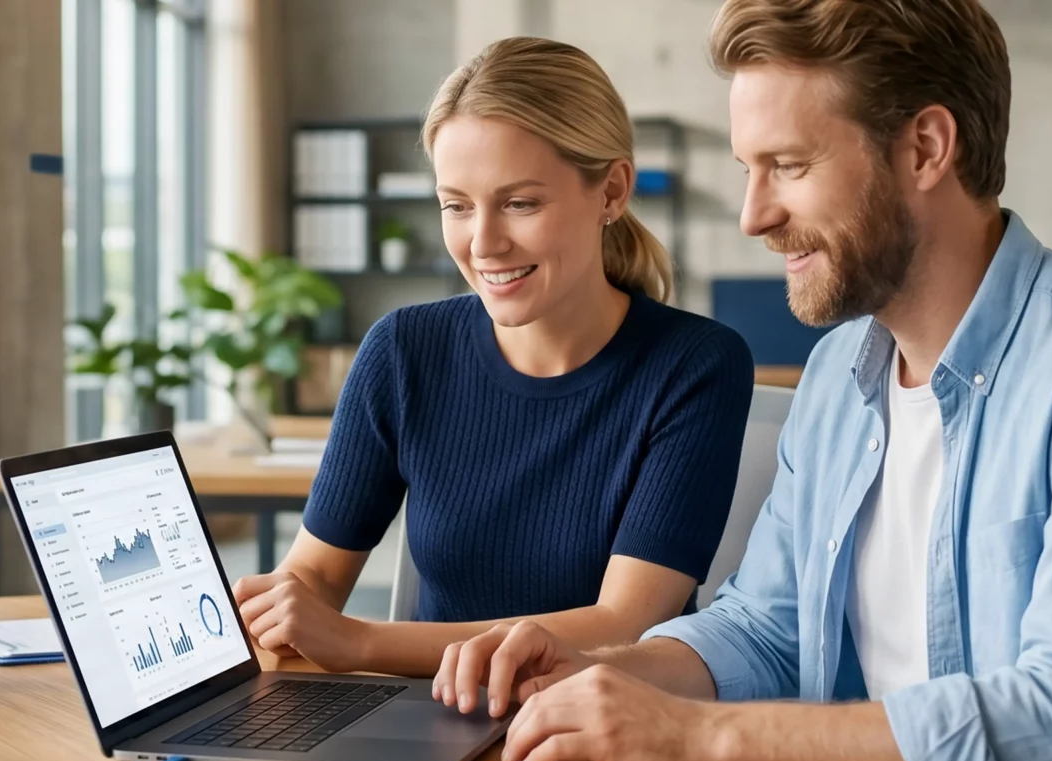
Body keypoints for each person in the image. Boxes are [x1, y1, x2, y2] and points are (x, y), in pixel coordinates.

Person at [432, 1, 1052, 761]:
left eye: (789, 165)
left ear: (924, 148)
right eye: (747, 169)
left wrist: (696, 737)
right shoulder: (844, 373)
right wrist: (599, 671)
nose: (754, 215)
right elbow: (765, 630)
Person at [234, 37, 752, 678]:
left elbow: (622, 623)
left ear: (612, 191)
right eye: (456, 205)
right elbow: (313, 572)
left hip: (601, 736)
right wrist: (276, 610)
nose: (484, 244)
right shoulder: (402, 352)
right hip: (425, 727)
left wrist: (362, 643)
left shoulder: (695, 364)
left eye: (520, 203)